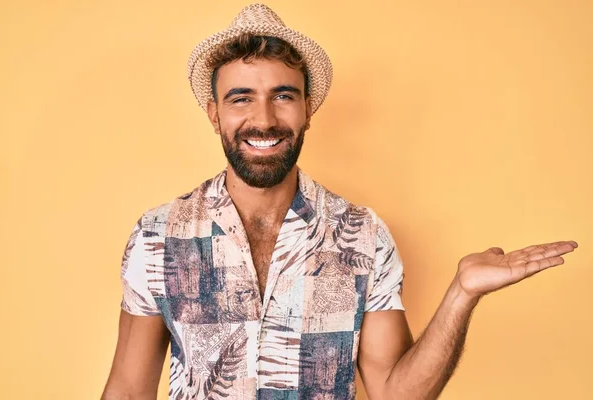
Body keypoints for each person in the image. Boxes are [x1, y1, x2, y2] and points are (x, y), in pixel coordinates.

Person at [101, 4, 578, 400]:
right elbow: (127, 388)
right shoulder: (159, 235)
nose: (263, 119)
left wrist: (462, 295)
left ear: (308, 108)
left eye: (283, 96)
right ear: (214, 113)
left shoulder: (363, 236)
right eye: (241, 98)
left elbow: (396, 393)